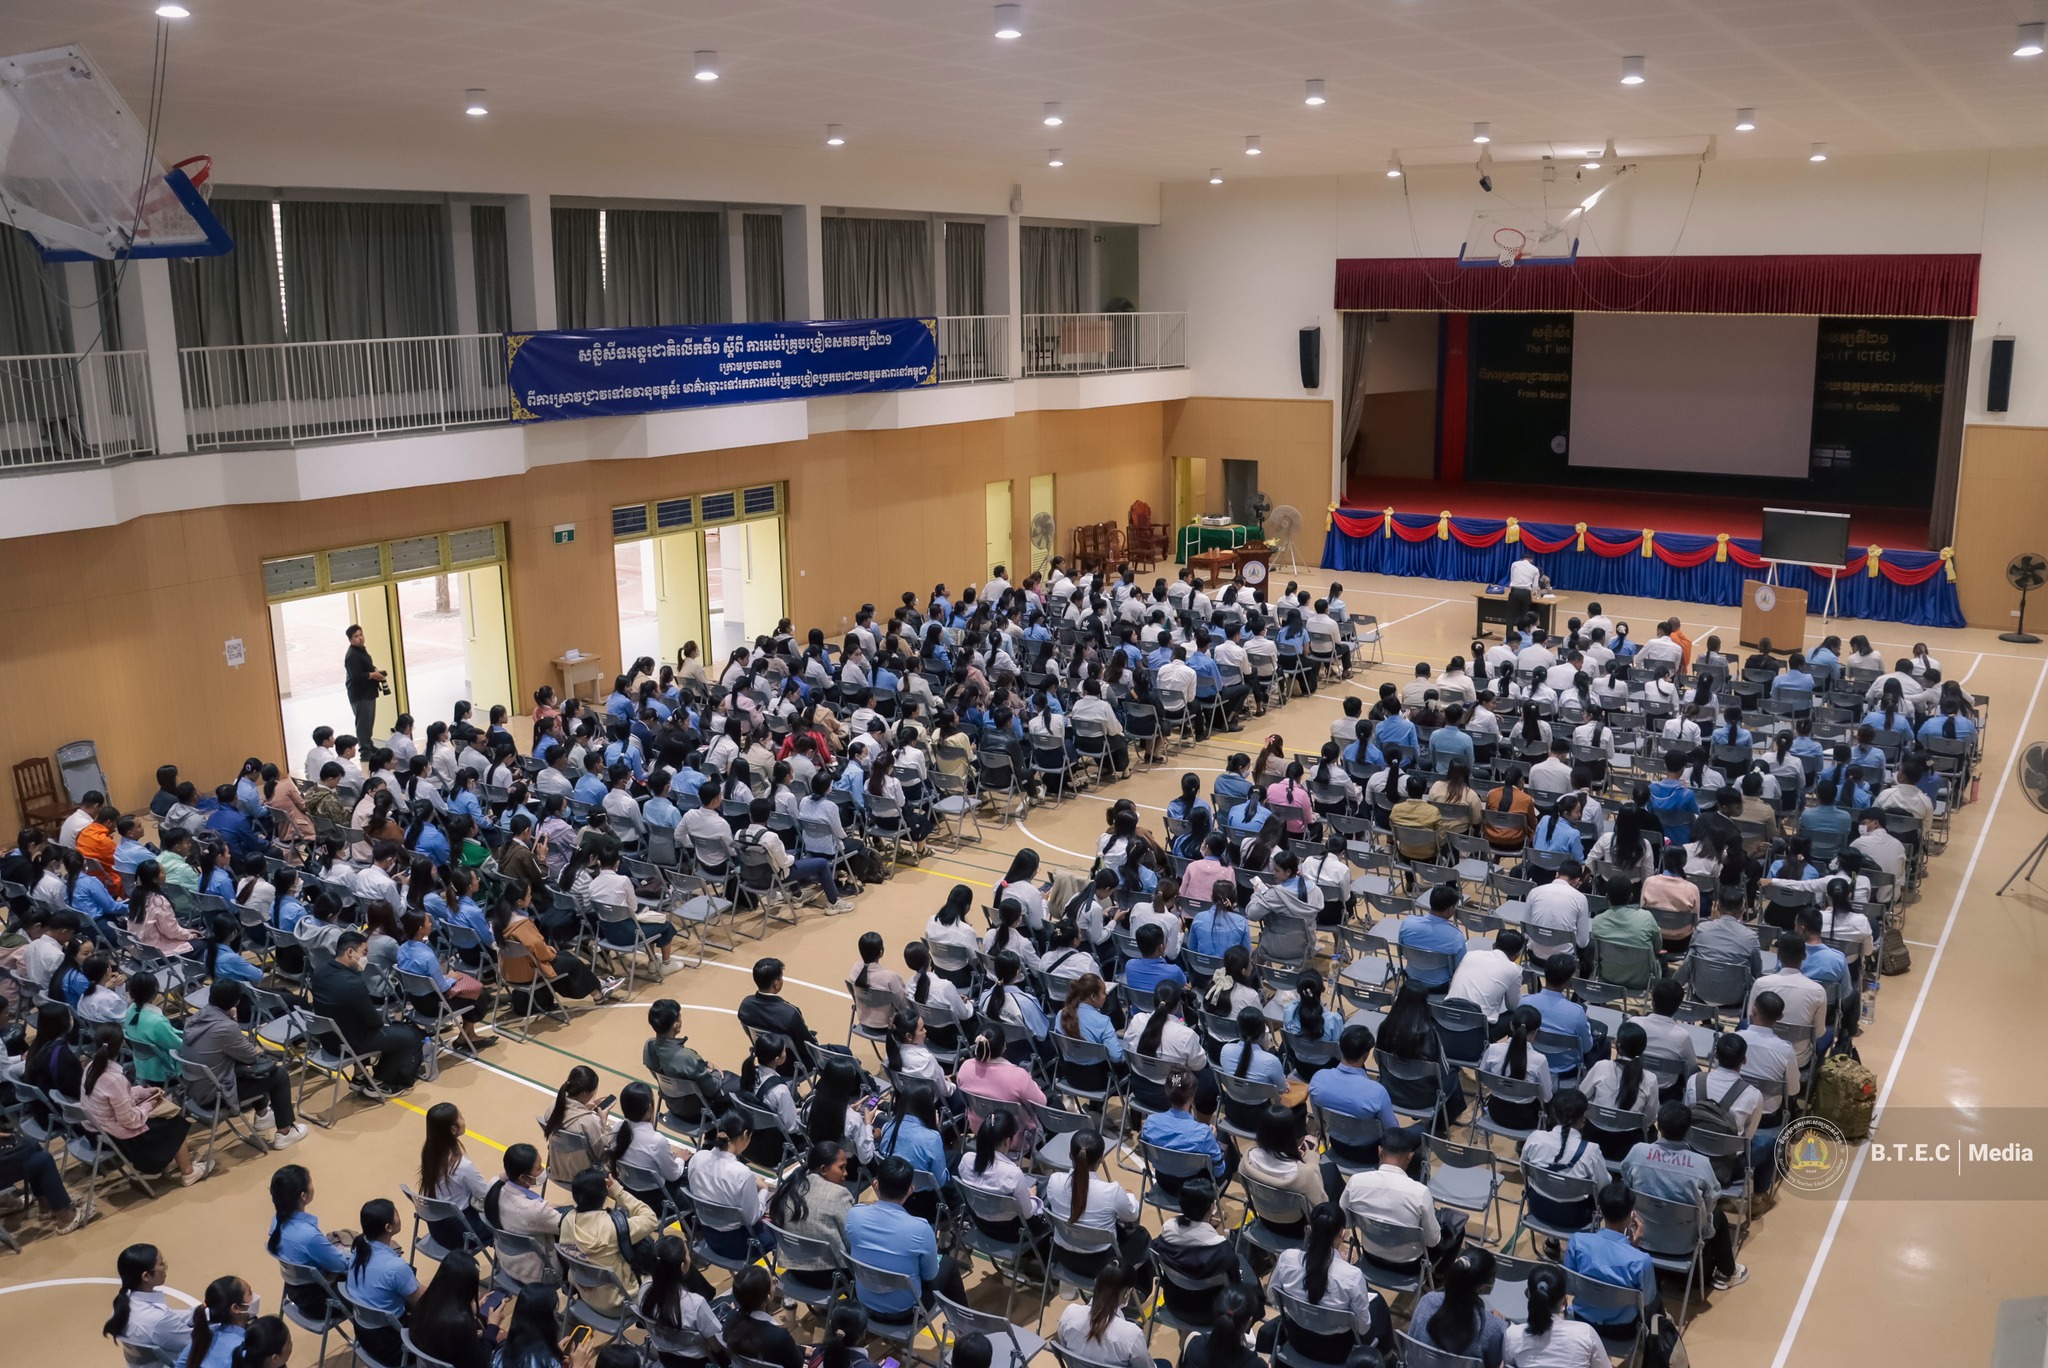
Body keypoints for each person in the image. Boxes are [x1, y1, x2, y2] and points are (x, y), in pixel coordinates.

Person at [1623, 1103, 1747, 1290]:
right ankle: (1727, 1272)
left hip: (1641, 1236)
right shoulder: (1701, 1165)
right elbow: (1712, 1201)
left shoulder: (1637, 1152)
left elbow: (1626, 1183)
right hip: (1684, 1243)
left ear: (1658, 1126)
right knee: (1719, 1216)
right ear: (1689, 1131)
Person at [181, 981, 308, 1149]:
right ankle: (285, 1132)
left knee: (249, 1068)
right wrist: (234, 1021)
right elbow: (249, 1055)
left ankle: (263, 1115)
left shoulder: (195, 1018)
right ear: (236, 1002)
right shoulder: (225, 1026)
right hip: (216, 1095)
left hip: (194, 1087)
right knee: (278, 1074)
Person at [80, 1025, 211, 1184]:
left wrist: (144, 1092)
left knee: (164, 1116)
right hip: (118, 1137)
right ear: (121, 1045)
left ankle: (172, 1160)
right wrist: (150, 1105)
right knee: (174, 1122)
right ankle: (188, 1172)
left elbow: (119, 1097)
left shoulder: (91, 1066)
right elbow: (129, 1120)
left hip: (98, 1130)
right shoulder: (114, 1078)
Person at [846, 1155, 967, 1318]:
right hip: (907, 1312)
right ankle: (964, 1327)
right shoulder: (920, 1228)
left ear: (875, 1185)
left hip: (864, 1303)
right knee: (949, 1264)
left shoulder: (854, 1215)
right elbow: (930, 1275)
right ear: (911, 1189)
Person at [1339, 1125, 1465, 1278]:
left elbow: (1344, 1222)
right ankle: (1438, 1277)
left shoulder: (1355, 1182)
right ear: (1410, 1156)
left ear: (1379, 1151)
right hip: (1409, 1266)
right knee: (1456, 1227)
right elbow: (1433, 1241)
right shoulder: (1420, 1193)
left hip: (1371, 1257)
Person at [312, 931, 426, 1095]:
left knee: (388, 1028)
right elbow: (374, 1022)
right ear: (350, 952)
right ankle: (382, 1081)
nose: (366, 957)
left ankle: (360, 1077)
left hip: (327, 1039)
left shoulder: (320, 972)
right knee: (410, 1036)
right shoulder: (353, 983)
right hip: (350, 1043)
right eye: (365, 952)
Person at [559, 1166, 662, 1315]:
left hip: (586, 1294)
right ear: (605, 1194)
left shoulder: (566, 1220)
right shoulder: (614, 1227)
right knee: (670, 1259)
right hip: (620, 1303)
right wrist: (618, 1191)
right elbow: (651, 1219)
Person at [1306, 1023, 1399, 1169]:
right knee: (1418, 1131)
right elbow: (1392, 1132)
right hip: (1370, 1155)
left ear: (1340, 1047)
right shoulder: (1377, 1092)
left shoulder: (1318, 1080)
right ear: (1366, 1054)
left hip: (1336, 1146)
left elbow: (1318, 1119)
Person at [346, 1198, 421, 1364]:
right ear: (388, 1228)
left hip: (364, 1336)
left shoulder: (357, 1253)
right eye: (396, 1213)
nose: (399, 1215)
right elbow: (423, 1303)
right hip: (395, 1345)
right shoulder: (395, 1267)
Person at [636, 1234, 725, 1368]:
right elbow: (716, 1347)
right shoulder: (695, 1304)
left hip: (666, 1358)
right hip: (700, 1363)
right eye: (688, 1254)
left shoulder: (644, 1290)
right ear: (683, 1266)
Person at [409, 1252, 510, 1368]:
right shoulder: (460, 1323)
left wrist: (470, 1309)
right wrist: (493, 1326)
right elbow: (480, 1362)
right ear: (468, 1287)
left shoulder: (425, 1302)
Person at [1407, 1249, 1505, 1368]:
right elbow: (1493, 1364)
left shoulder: (1427, 1301)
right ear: (1484, 1287)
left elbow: (1411, 1343)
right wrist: (1493, 1322)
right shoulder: (1495, 1329)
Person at [1054, 1259, 1158, 1368]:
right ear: (1128, 1292)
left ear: (1096, 1282)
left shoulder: (1069, 1314)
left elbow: (1066, 1351)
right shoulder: (1131, 1335)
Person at [1505, 1263, 1612, 1368]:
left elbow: (1508, 1363)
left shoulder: (1512, 1335)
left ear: (1529, 1294)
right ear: (1564, 1300)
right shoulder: (1586, 1333)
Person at [103, 1245, 192, 1365]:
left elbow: (171, 1319)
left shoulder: (123, 1306)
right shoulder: (157, 1320)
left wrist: (204, 1312)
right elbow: (196, 1341)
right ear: (146, 1276)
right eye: (161, 1264)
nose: (164, 1267)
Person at [541, 1065, 616, 1183]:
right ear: (587, 1093)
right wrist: (603, 1122)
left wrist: (583, 1108)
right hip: (583, 1178)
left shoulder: (553, 1107)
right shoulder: (587, 1122)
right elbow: (602, 1153)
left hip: (557, 1169)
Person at [499, 1284, 600, 1368]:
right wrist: (579, 1365)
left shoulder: (500, 1351)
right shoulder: (547, 1363)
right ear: (546, 1321)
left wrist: (555, 1351)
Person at [343, 623, 389, 762]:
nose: (360, 638)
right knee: (363, 723)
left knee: (369, 722)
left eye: (361, 634)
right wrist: (373, 675)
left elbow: (366, 667)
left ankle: (369, 745)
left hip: (368, 692)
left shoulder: (361, 650)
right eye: (356, 636)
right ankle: (365, 751)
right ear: (351, 639)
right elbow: (356, 676)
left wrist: (376, 672)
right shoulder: (352, 655)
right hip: (360, 694)